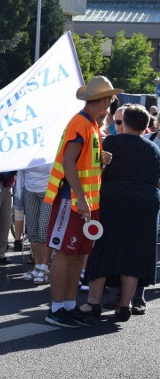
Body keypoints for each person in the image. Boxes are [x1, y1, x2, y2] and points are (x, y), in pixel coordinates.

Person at [43, 75, 120, 329]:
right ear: (104, 100)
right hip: (72, 200)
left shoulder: (91, 124)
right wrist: (83, 199)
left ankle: (67, 306)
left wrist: (101, 158)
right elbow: (68, 163)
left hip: (83, 201)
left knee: (78, 254)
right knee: (65, 254)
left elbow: (82, 160)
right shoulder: (81, 122)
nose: (110, 103)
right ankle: (56, 309)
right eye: (109, 98)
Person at [79, 105, 160, 322]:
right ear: (146, 126)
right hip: (145, 203)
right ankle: (125, 305)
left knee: (104, 248)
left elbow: (99, 172)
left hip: (113, 200)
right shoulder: (153, 149)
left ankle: (93, 302)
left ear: (123, 123)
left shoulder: (111, 143)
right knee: (134, 253)